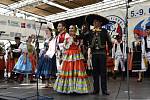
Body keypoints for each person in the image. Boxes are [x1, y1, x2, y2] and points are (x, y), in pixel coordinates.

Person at [53, 25, 93, 94]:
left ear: (75, 30)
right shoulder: (67, 38)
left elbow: (81, 46)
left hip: (77, 56)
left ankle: (77, 88)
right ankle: (69, 88)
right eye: (69, 28)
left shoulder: (78, 38)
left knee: (77, 72)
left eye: (72, 28)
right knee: (69, 71)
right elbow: (65, 47)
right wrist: (62, 56)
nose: (70, 29)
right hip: (69, 56)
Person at [87, 14, 112, 95]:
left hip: (102, 54)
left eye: (96, 22)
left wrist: (108, 52)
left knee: (103, 73)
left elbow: (109, 42)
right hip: (94, 54)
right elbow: (85, 39)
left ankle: (104, 90)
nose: (95, 23)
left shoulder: (104, 31)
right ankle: (96, 89)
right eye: (94, 22)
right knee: (95, 73)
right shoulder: (90, 32)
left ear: (100, 23)